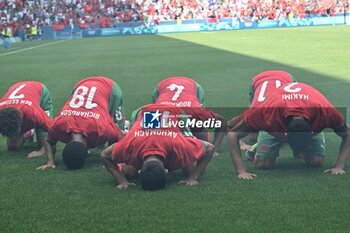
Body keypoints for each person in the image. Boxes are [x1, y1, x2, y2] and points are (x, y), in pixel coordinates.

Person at [227, 82, 350, 179]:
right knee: (263, 164)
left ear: (312, 132)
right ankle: (256, 147)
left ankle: (302, 148)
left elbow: (347, 133)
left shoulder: (325, 111)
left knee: (315, 162)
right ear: (284, 134)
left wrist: (339, 166)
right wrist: (241, 171)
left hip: (308, 117)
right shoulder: (266, 112)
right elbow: (232, 134)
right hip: (275, 123)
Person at [101, 104, 215, 190]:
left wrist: (193, 177)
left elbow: (210, 148)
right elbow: (105, 155)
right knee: (130, 172)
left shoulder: (179, 146)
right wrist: (122, 181)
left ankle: (197, 136)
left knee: (190, 169)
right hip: (144, 112)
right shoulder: (131, 145)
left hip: (174, 112)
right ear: (166, 171)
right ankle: (129, 130)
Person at [37, 77, 124, 170]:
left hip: (110, 88)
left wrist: (111, 159)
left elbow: (119, 137)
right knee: (106, 127)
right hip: (81, 84)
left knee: (117, 127)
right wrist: (50, 161)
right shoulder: (58, 125)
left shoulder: (101, 128)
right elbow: (49, 141)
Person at [152, 76, 226, 155]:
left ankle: (196, 135)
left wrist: (215, 149)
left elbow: (221, 121)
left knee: (201, 133)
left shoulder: (198, 113)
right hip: (162, 86)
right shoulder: (156, 114)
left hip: (192, 86)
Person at [234, 70, 297, 158]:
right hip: (258, 80)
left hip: (286, 78)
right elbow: (230, 127)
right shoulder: (253, 112)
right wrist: (241, 143)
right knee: (253, 137)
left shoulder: (285, 107)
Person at [0, 81, 53, 157]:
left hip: (40, 92)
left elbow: (54, 132)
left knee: (43, 144)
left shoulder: (33, 112)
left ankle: (34, 126)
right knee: (13, 147)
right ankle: (30, 132)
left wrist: (41, 152)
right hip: (18, 89)